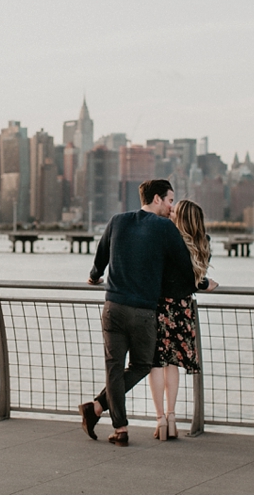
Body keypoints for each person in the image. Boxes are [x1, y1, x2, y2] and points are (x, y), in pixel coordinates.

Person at [79, 179, 193, 447]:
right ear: (156, 198)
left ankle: (118, 427)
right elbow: (185, 266)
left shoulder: (117, 220)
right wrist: (200, 284)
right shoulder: (165, 227)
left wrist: (95, 276)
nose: (171, 206)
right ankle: (96, 407)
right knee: (141, 365)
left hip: (113, 307)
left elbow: (100, 258)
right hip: (143, 311)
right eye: (169, 200)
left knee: (114, 368)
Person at [148, 198, 217, 441]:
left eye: (174, 211)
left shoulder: (168, 239)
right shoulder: (203, 243)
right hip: (183, 308)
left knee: (156, 363)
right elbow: (196, 280)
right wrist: (208, 284)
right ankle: (173, 416)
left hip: (159, 306)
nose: (169, 211)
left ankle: (160, 420)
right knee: (173, 363)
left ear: (181, 217)